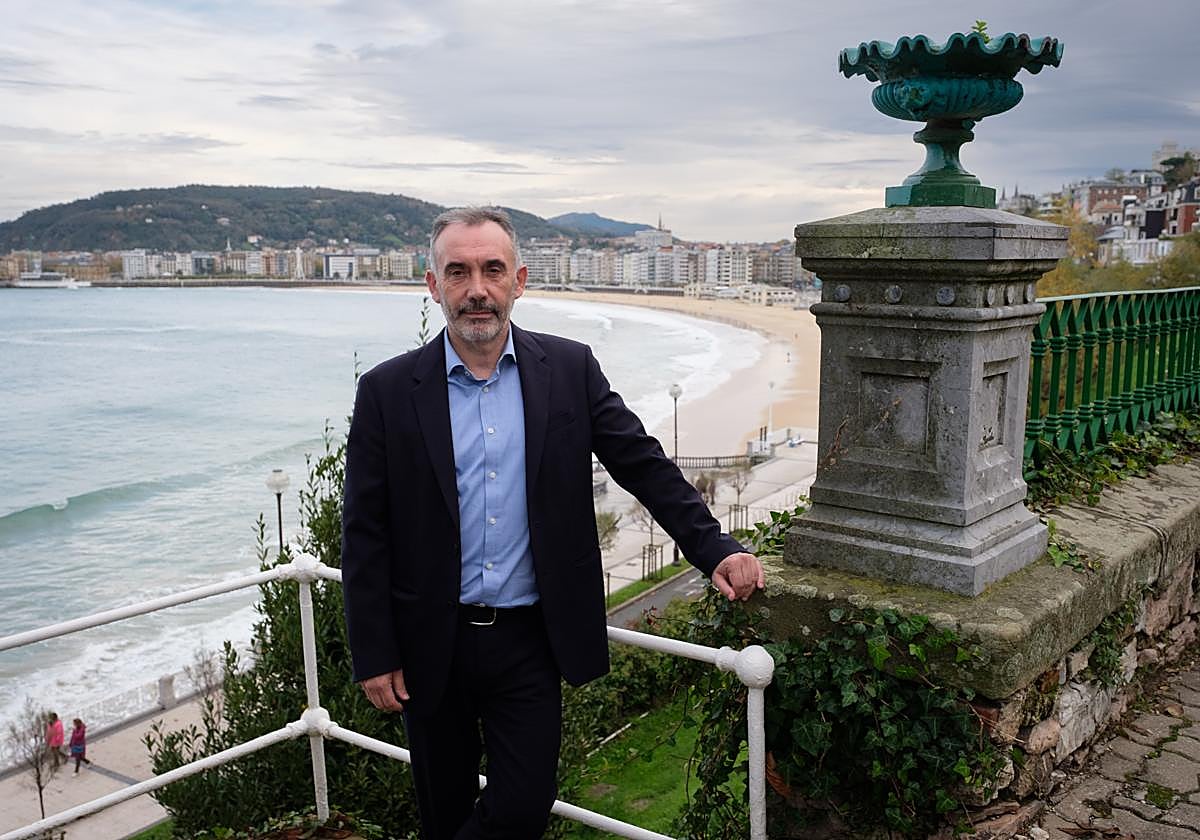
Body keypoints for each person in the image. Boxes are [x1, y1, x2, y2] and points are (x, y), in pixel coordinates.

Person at [342, 206, 764, 839]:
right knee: (444, 810)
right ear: (433, 286)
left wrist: (714, 548)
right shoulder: (386, 391)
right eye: (458, 272)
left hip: (530, 640)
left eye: (492, 270)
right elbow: (364, 532)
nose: (476, 289)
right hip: (431, 641)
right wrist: (375, 652)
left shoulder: (569, 369)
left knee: (521, 806)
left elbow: (641, 464)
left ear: (520, 280)